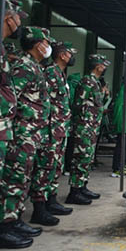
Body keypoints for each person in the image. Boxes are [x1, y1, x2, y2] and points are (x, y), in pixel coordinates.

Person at [1, 26, 55, 231]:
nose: (48, 47)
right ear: (37, 44)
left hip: (32, 133)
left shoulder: (34, 66)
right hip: (23, 133)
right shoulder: (24, 66)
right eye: (46, 43)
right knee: (14, 177)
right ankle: (7, 224)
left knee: (23, 177)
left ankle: (15, 220)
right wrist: (23, 125)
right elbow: (14, 98)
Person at [0, 0, 37, 250]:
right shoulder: (21, 63)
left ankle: (11, 222)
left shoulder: (3, 50)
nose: (19, 22)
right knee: (11, 178)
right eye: (17, 16)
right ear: (7, 17)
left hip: (11, 127)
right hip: (14, 127)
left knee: (16, 176)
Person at [33, 42, 76, 222]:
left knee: (55, 167)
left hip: (59, 129)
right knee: (45, 167)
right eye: (70, 53)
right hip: (51, 129)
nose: (72, 57)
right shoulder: (50, 72)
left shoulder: (59, 73)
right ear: (62, 55)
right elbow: (45, 102)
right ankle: (39, 209)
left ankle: (51, 200)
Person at [65, 54, 110, 205]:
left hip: (92, 127)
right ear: (98, 66)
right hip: (84, 126)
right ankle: (74, 192)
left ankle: (82, 186)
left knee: (87, 158)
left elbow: (96, 104)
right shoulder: (87, 81)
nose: (104, 68)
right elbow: (78, 104)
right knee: (80, 158)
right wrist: (85, 119)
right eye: (103, 65)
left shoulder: (95, 82)